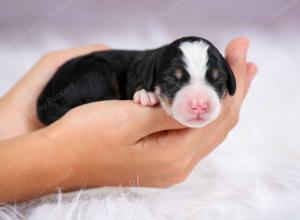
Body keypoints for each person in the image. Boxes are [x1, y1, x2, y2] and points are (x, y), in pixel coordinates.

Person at [0, 37, 257, 203]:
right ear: (152, 77)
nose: (199, 102)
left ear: (229, 81)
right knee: (99, 73)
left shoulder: (157, 68)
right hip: (85, 78)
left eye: (215, 80)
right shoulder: (145, 74)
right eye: (176, 79)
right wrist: (68, 157)